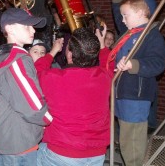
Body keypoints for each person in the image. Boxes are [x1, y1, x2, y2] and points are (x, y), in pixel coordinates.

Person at [0, 8, 53, 166]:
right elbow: (32, 104)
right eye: (26, 26)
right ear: (9, 28)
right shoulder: (18, 60)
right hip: (20, 140)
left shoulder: (1, 55)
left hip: (7, 135)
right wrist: (47, 119)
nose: (33, 30)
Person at [35, 25, 114, 166]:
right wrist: (102, 45)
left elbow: (35, 71)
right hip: (97, 154)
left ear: (70, 54)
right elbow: (109, 62)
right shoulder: (104, 77)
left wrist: (52, 52)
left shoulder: (53, 78)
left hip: (61, 153)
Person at [109, 0, 165, 166]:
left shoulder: (151, 36)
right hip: (123, 92)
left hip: (136, 96)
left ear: (141, 14)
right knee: (126, 136)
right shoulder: (131, 32)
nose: (122, 20)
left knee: (133, 142)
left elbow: (157, 63)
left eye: (125, 15)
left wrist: (132, 64)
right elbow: (121, 20)